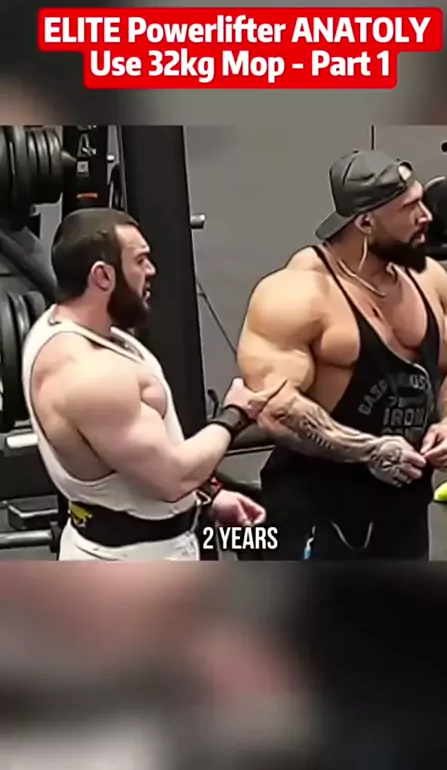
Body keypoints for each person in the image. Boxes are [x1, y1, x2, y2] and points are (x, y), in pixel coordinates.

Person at [237, 149, 447, 560]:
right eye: (409, 208)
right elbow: (274, 407)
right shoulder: (297, 295)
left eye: (421, 201)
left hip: (404, 508)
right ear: (365, 223)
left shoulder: (426, 278)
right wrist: (368, 450)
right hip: (319, 511)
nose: (426, 216)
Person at [22, 208, 278, 561]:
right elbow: (171, 480)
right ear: (103, 276)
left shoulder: (63, 329)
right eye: (140, 260)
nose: (152, 270)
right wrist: (235, 414)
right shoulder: (90, 375)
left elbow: (136, 456)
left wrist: (208, 494)